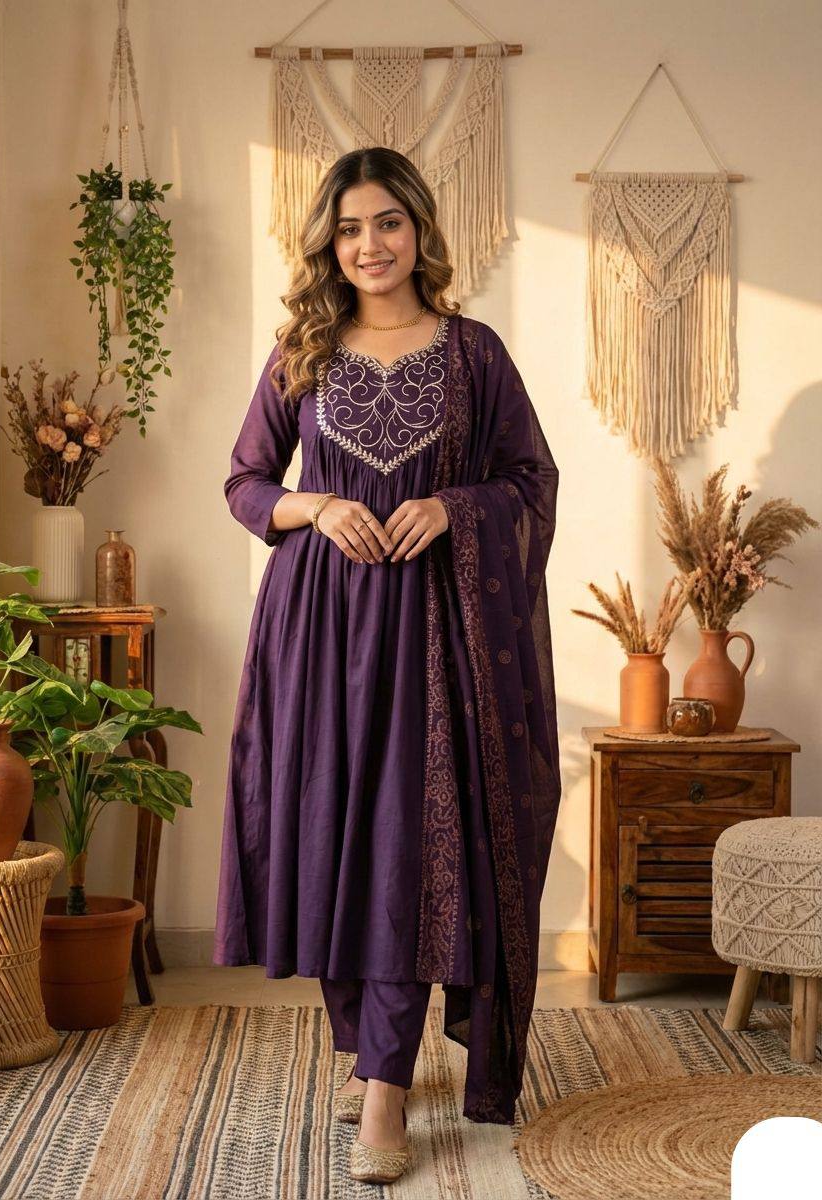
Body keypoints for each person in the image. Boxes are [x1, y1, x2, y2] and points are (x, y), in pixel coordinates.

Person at [213, 146, 561, 1184]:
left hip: (437, 638)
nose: (369, 245)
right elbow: (243, 482)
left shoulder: (473, 353)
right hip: (320, 632)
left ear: (419, 229)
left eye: (387, 223)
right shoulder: (302, 351)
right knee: (336, 838)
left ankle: (384, 1092)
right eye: (349, 228)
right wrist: (315, 505)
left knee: (413, 844)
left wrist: (452, 507)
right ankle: (372, 1048)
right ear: (329, 243)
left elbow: (530, 478)